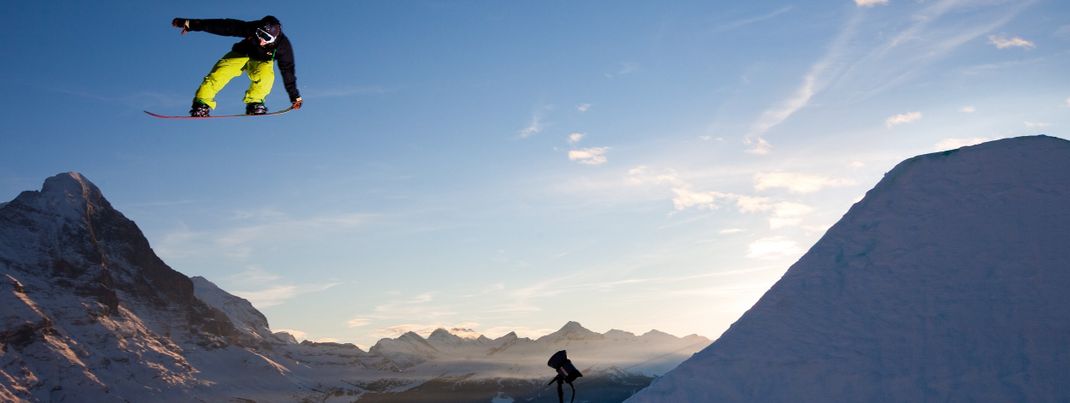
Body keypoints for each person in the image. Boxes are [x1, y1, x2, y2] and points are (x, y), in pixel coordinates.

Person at [171, 16, 303, 117]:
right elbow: (225, 26)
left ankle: (255, 103)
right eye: (260, 34)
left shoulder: (283, 47)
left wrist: (294, 96)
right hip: (241, 53)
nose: (262, 40)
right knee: (220, 73)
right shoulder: (252, 28)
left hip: (261, 62)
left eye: (267, 38)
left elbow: (288, 72)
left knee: (266, 77)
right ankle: (201, 103)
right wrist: (191, 24)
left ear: (275, 37)